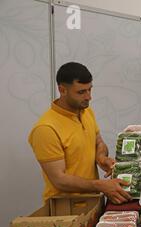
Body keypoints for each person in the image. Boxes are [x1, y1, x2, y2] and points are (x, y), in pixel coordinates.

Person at [28, 62, 131, 204]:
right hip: (65, 210)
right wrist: (99, 185)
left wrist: (101, 158)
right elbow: (59, 180)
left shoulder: (86, 111)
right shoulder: (45, 129)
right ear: (62, 90)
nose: (89, 97)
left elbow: (98, 142)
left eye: (90, 90)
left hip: (92, 201)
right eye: (81, 92)